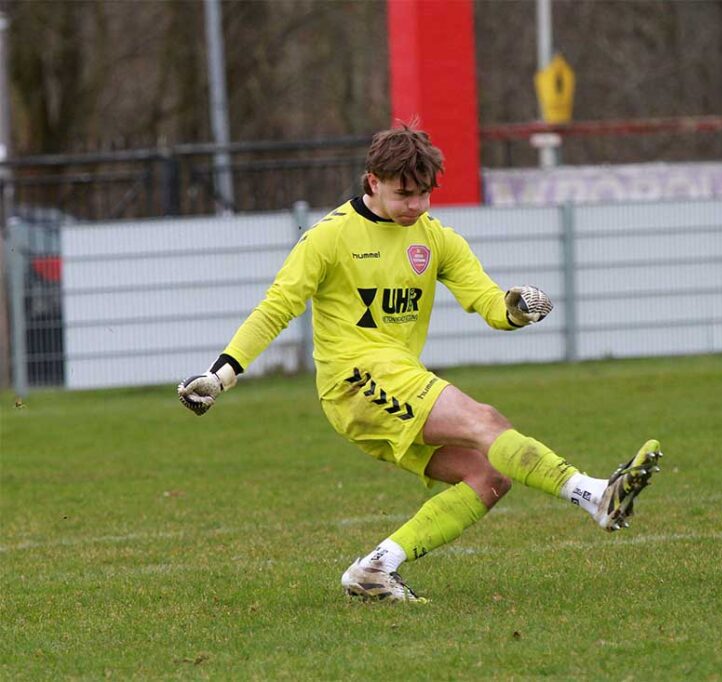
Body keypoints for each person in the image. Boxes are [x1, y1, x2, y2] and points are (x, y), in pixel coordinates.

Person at [177, 123, 663, 603]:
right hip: (355, 381)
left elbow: (487, 301)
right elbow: (275, 308)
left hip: (395, 382)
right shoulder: (328, 238)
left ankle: (374, 569)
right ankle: (594, 495)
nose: (416, 205)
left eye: (425, 194)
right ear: (373, 182)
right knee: (485, 421)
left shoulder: (436, 240)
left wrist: (515, 308)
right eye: (404, 194)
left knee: (489, 477)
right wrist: (221, 375)